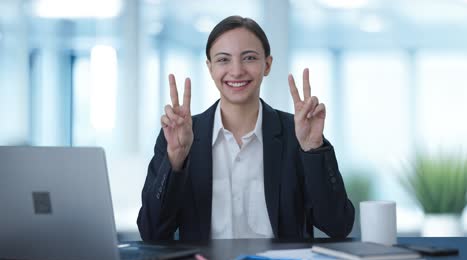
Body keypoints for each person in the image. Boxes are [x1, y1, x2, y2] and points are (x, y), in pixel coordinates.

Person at [137, 15, 354, 241]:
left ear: (267, 65)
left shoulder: (298, 134)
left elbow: (338, 225)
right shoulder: (180, 138)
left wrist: (312, 149)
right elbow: (151, 232)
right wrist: (175, 160)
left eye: (249, 58)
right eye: (223, 60)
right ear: (210, 68)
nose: (237, 70)